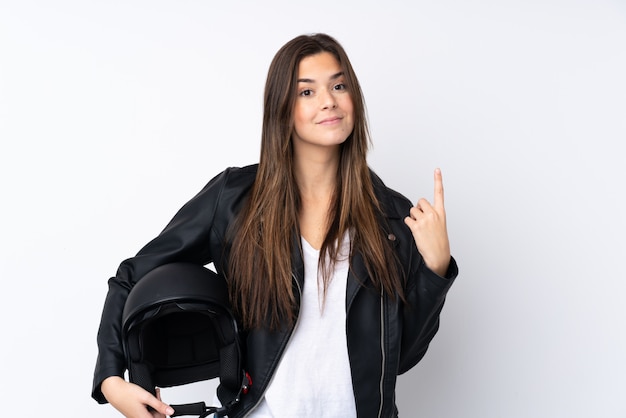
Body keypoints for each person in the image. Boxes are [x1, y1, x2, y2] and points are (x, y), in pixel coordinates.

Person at [92, 33, 458, 418]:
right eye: (306, 92)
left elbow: (398, 360)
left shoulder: (392, 218)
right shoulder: (234, 199)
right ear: (281, 108)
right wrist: (111, 380)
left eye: (339, 85)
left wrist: (435, 269)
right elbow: (130, 277)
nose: (328, 100)